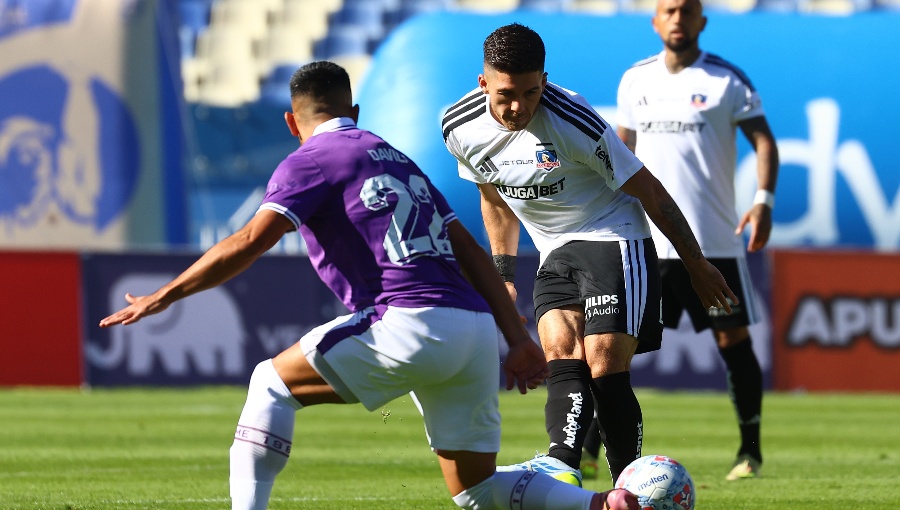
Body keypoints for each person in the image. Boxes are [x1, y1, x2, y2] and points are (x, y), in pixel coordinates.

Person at [99, 61, 640, 510]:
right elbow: (469, 250)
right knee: (476, 490)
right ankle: (604, 504)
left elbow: (246, 241)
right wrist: (515, 338)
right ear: (354, 113)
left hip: (408, 318)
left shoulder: (309, 158)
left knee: (269, 383)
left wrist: (162, 296)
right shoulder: (398, 159)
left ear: (292, 121)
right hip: (473, 329)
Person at [441, 23, 738, 487]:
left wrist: (696, 264)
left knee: (603, 363)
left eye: (530, 91)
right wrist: (503, 272)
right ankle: (563, 466)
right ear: (483, 84)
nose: (518, 106)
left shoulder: (575, 121)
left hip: (612, 234)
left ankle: (629, 486)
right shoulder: (458, 127)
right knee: (560, 351)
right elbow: (494, 198)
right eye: (505, 95)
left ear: (544, 79)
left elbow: (651, 192)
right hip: (551, 248)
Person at [604, 0, 779, 482]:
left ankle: (750, 452)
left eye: (687, 10)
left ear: (702, 20)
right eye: (669, 9)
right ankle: (598, 449)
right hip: (646, 241)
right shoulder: (635, 80)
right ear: (656, 20)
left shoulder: (726, 80)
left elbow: (764, 140)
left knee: (732, 339)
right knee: (612, 343)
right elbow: (620, 154)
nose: (678, 18)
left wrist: (762, 199)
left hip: (712, 240)